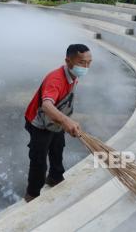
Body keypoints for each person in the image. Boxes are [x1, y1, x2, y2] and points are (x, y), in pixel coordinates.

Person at [23, 44, 92, 202]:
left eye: (89, 62)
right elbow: (47, 105)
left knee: (57, 147)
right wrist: (66, 120)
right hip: (39, 123)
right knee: (39, 160)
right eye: (82, 63)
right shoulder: (55, 79)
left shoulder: (73, 75)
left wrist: (64, 121)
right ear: (68, 61)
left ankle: (55, 177)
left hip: (56, 121)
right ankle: (32, 195)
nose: (86, 67)